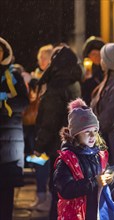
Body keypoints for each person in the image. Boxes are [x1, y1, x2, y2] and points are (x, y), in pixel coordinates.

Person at [34, 45, 82, 218]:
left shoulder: (58, 85)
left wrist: (39, 144)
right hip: (70, 144)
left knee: (57, 191)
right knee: (65, 192)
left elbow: (50, 120)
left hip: (57, 145)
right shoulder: (74, 81)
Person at [53, 98, 114, 219]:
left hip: (95, 211)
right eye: (87, 132)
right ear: (76, 134)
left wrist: (110, 177)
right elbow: (64, 189)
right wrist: (93, 182)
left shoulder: (99, 155)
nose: (92, 136)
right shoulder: (67, 159)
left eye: (95, 131)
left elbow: (105, 171)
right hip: (76, 214)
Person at [0, 36, 29, 220]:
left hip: (10, 139)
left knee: (6, 190)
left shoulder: (14, 74)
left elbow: (23, 102)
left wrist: (4, 103)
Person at [81, 36, 105, 106]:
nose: (97, 57)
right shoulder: (83, 70)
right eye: (94, 54)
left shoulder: (105, 71)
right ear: (88, 55)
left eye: (99, 54)